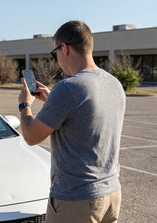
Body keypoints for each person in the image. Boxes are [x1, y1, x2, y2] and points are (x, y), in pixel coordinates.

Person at [18, 21, 126, 223]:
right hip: (111, 194)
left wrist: (24, 105)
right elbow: (85, 117)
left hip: (77, 200)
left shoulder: (68, 88)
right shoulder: (114, 84)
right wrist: (52, 100)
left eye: (55, 52)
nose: (57, 58)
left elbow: (31, 136)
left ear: (64, 48)